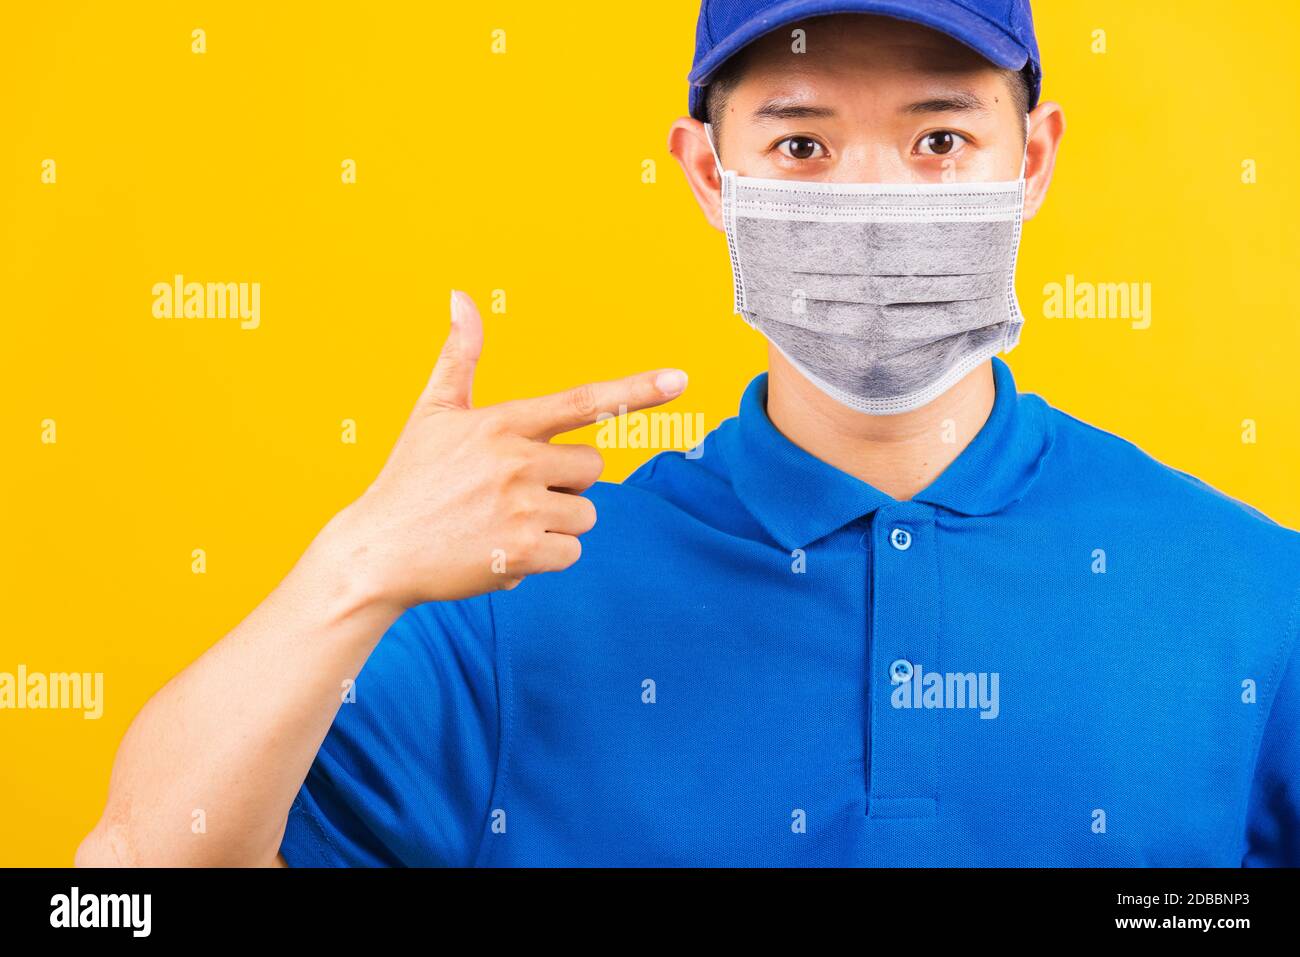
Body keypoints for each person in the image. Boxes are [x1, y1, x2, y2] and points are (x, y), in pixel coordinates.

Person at [77, 0, 1300, 867]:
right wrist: (351, 569)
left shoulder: (1252, 592)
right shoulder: (515, 600)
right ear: (711, 175)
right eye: (801, 144)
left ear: (1030, 159)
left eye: (938, 141)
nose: (869, 200)